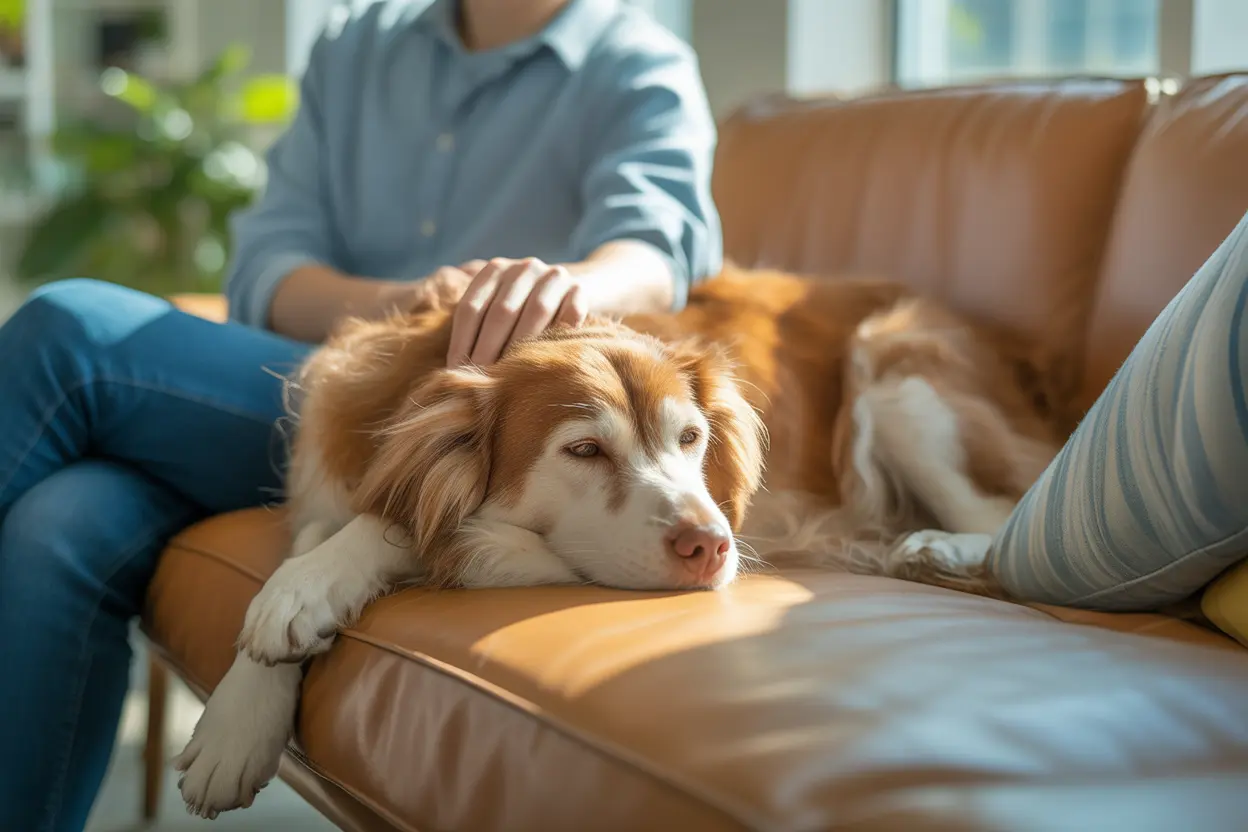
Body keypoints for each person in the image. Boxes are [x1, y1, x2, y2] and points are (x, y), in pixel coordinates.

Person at [0, 0, 722, 828]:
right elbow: (268, 268)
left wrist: (566, 290)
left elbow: (656, 251)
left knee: (66, 388)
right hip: (326, 385)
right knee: (65, 452)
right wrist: (411, 304)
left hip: (478, 432)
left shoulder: (633, 58)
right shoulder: (357, 46)